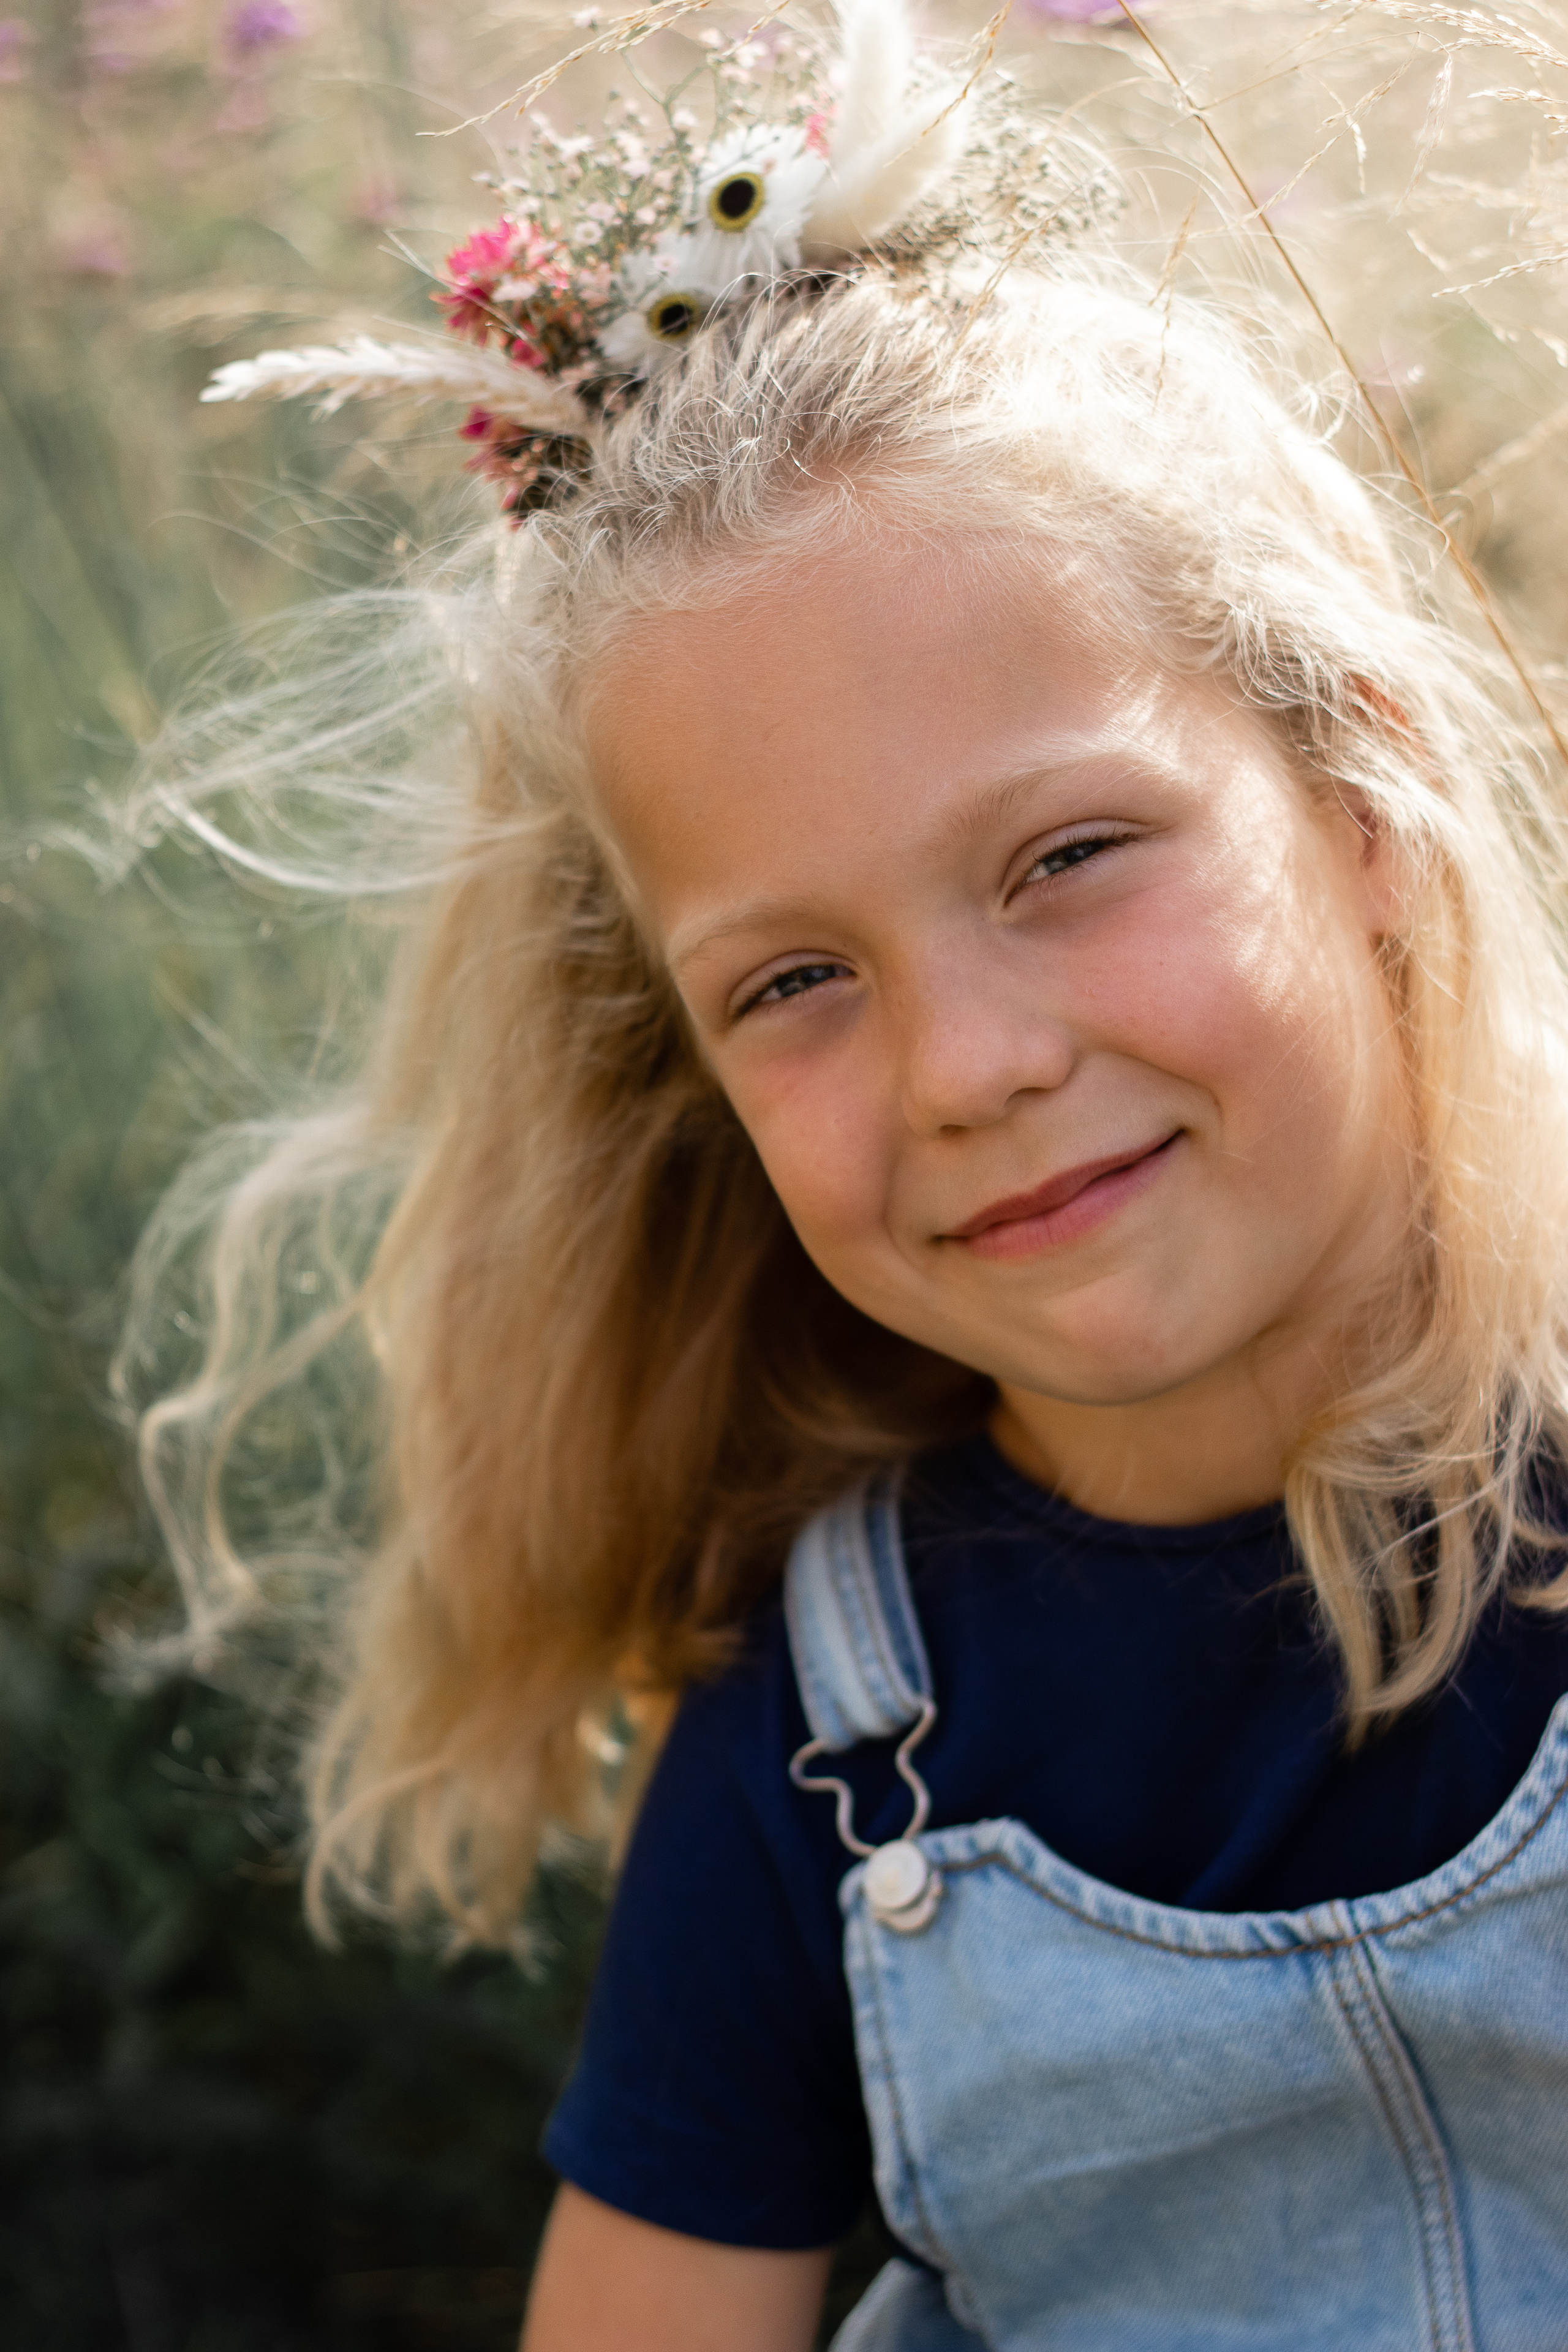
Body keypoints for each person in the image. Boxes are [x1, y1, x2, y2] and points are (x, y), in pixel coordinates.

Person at [123, 2, 1568, 2343]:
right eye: (794, 982)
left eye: (1071, 852)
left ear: (1368, 795)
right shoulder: (830, 1732)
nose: (971, 1067)